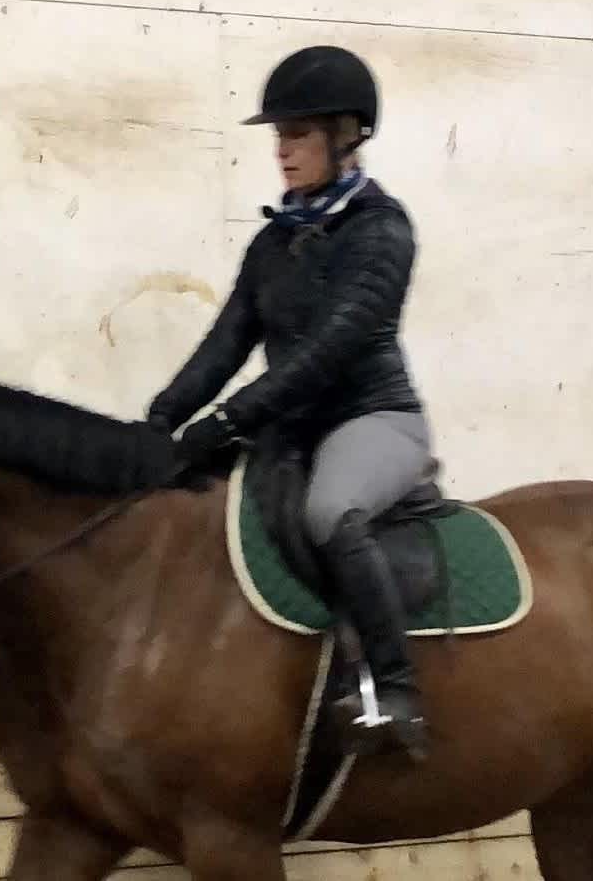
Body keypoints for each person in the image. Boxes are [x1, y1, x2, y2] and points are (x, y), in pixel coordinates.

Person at [145, 44, 437, 759]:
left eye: (299, 134)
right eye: (279, 135)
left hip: (372, 419)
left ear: (346, 137)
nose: (283, 150)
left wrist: (224, 423)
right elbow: (225, 343)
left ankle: (393, 691)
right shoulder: (274, 241)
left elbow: (325, 356)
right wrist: (158, 422)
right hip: (291, 431)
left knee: (331, 511)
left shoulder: (381, 232)